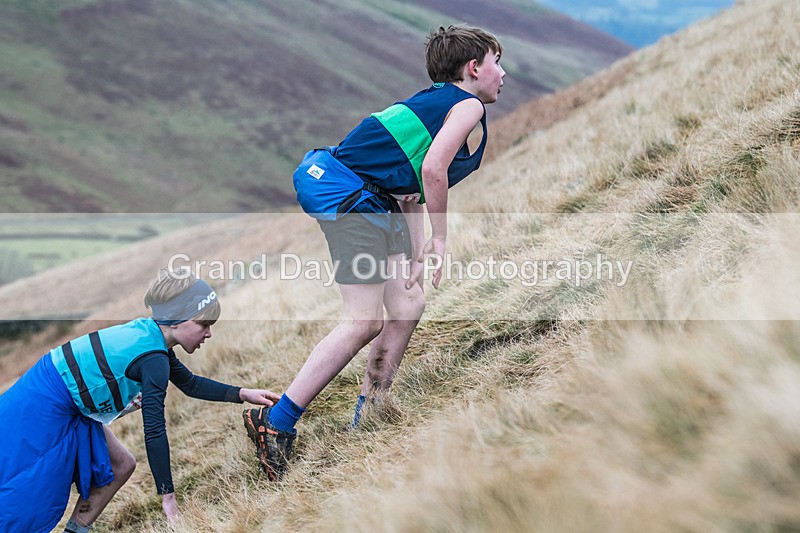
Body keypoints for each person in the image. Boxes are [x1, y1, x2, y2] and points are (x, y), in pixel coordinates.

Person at [243, 24, 504, 481]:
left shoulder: (435, 104)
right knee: (362, 320)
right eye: (497, 62)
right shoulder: (466, 104)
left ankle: (373, 408)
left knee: (408, 301)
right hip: (350, 196)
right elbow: (433, 169)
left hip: (371, 199)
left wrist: (417, 253)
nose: (503, 74)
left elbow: (410, 193)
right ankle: (276, 421)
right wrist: (441, 239)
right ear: (474, 67)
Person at [0, 267, 281, 532]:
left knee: (122, 465)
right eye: (203, 324)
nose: (208, 333)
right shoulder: (153, 357)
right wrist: (167, 497)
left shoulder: (152, 338)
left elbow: (190, 384)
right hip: (44, 402)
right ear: (177, 318)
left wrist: (243, 394)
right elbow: (155, 430)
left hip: (65, 399)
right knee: (23, 491)